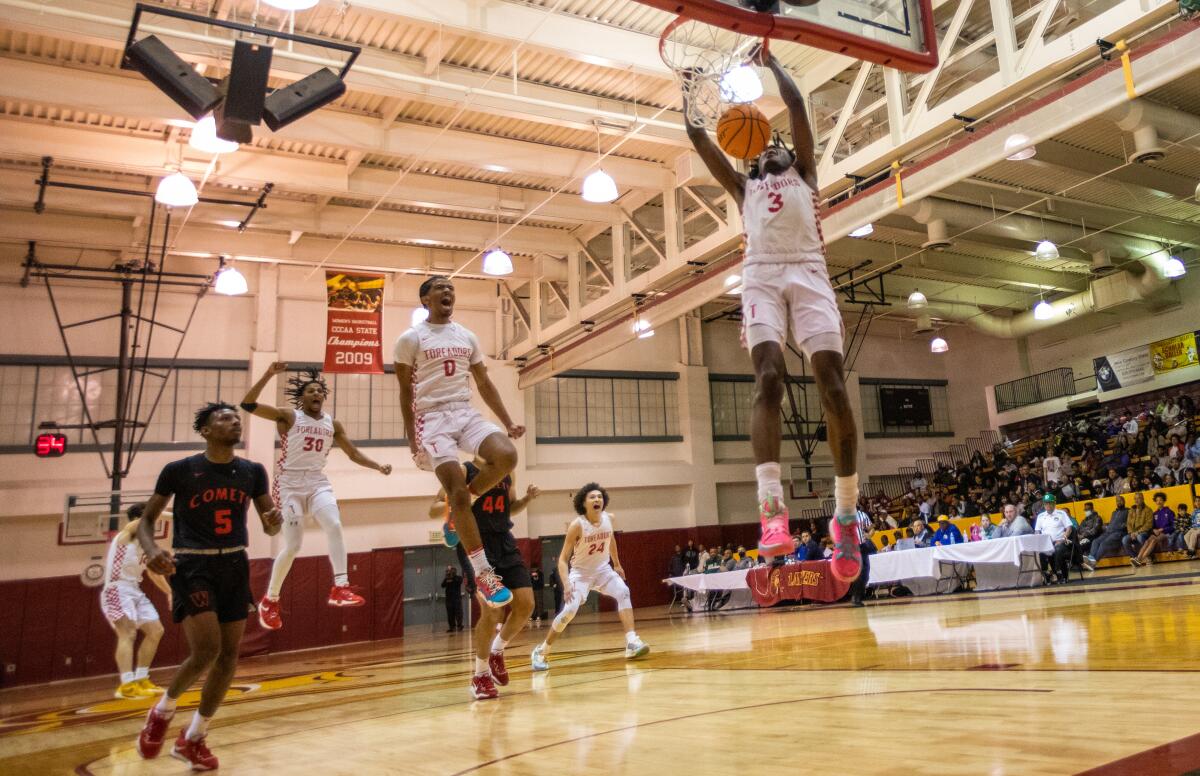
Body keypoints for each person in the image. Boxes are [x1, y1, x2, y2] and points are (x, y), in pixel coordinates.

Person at [682, 49, 862, 581]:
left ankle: (846, 516)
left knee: (831, 384)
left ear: (787, 154)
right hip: (760, 273)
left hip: (809, 272)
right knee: (768, 378)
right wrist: (690, 92)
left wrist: (773, 61)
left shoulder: (805, 173)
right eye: (759, 155)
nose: (766, 155)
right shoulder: (744, 189)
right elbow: (697, 138)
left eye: (773, 148)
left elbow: (797, 104)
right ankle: (771, 512)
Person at [135, 402, 281, 770]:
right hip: (192, 563)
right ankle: (163, 710)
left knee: (231, 655)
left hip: (234, 562)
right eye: (225, 418)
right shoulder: (180, 470)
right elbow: (146, 521)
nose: (235, 422)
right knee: (206, 651)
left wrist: (276, 519)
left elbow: (270, 526)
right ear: (206, 430)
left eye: (236, 418)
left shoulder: (252, 471)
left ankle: (194, 737)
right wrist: (152, 550)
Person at [395, 275, 525, 608]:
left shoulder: (467, 335)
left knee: (507, 456)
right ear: (425, 299)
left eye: (451, 287)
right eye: (440, 287)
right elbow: (405, 391)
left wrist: (508, 421)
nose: (448, 291)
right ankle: (484, 573)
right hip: (432, 418)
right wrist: (413, 439)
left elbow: (483, 382)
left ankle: (458, 509)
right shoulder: (411, 339)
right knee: (455, 491)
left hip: (464, 411)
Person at [243, 363, 393, 630]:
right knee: (293, 546)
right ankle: (271, 599)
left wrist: (378, 466)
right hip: (289, 483)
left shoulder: (332, 423)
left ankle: (341, 587)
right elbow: (248, 405)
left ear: (324, 397)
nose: (316, 394)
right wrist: (268, 374)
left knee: (334, 525)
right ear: (302, 398)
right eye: (310, 390)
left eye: (320, 391)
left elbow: (354, 454)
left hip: (316, 482)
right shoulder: (288, 416)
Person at [431, 459, 540, 699]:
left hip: (504, 540)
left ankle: (496, 651)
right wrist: (459, 500)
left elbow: (509, 508)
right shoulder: (463, 470)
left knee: (526, 604)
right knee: (492, 612)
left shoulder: (507, 469)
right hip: (475, 544)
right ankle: (480, 675)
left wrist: (527, 499)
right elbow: (434, 507)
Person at [531, 484, 648, 670]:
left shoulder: (609, 519)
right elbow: (562, 559)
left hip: (603, 570)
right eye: (592, 497)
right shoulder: (577, 525)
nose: (597, 500)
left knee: (624, 592)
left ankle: (632, 642)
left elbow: (611, 540)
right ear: (583, 503)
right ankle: (542, 651)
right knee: (569, 611)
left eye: (600, 497)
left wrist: (617, 564)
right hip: (580, 574)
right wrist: (567, 584)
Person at [101, 503, 169, 700]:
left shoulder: (145, 545)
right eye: (152, 519)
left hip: (134, 589)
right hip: (117, 588)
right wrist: (175, 514)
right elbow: (141, 522)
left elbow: (154, 573)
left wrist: (170, 592)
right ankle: (127, 684)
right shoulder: (128, 534)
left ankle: (141, 679)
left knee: (156, 631)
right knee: (128, 632)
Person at [1034, 494, 1074, 583]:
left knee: (1058, 548)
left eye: (1050, 503)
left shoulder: (1061, 513)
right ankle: (1047, 574)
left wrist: (1064, 538)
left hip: (1060, 541)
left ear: (1054, 503)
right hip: (1046, 543)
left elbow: (1069, 528)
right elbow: (1037, 531)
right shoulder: (1040, 516)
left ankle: (1060, 573)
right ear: (1043, 505)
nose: (1048, 505)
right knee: (1039, 551)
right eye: (1046, 503)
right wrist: (1038, 541)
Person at [1083, 497, 1129, 570]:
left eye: (1121, 501)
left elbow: (1130, 522)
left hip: (1118, 533)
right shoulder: (1114, 513)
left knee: (1104, 543)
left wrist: (1124, 525)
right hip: (1108, 532)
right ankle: (1090, 561)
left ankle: (1092, 564)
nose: (1119, 502)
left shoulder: (1128, 511)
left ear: (1124, 501)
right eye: (1117, 501)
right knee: (1095, 541)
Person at [1133, 492, 1174, 566]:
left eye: (1161, 500)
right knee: (1147, 541)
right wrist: (1154, 530)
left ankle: (1141, 560)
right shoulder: (1155, 513)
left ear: (1164, 501)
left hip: (1166, 533)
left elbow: (1173, 526)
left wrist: (1163, 529)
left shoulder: (1169, 512)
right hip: (1157, 533)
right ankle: (1138, 558)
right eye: (1157, 500)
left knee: (1154, 540)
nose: (1159, 502)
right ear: (1155, 501)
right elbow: (1152, 527)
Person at [848, 510, 875, 607]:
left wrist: (870, 534)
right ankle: (855, 597)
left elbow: (871, 528)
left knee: (866, 572)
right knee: (858, 572)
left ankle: (860, 594)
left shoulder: (862, 514)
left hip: (863, 546)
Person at [1123, 492, 1154, 559]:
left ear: (1143, 499)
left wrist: (1138, 532)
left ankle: (1149, 556)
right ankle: (1135, 557)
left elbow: (1148, 524)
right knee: (1124, 539)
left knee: (1139, 537)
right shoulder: (1131, 510)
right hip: (1133, 533)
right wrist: (1131, 533)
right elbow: (1128, 523)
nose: (1136, 500)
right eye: (1135, 499)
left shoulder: (1148, 510)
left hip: (1144, 532)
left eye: (1139, 498)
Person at [442, 566, 464, 632]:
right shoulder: (447, 578)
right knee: (450, 614)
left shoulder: (458, 578)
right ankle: (452, 627)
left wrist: (452, 577)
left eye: (451, 571)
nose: (450, 572)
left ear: (455, 571)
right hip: (449, 599)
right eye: (449, 571)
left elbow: (459, 582)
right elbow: (442, 585)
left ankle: (459, 626)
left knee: (458, 613)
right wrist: (447, 578)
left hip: (457, 599)